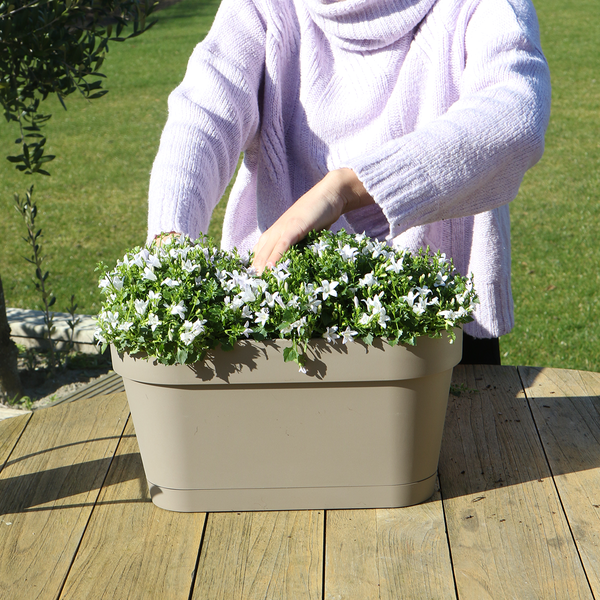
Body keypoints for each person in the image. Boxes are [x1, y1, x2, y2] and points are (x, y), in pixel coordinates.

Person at [147, 0, 551, 365]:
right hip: (273, 307)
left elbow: (515, 115)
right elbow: (202, 115)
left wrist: (346, 188)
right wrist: (170, 242)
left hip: (437, 322)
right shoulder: (265, 7)